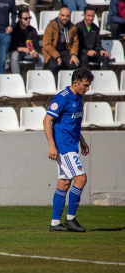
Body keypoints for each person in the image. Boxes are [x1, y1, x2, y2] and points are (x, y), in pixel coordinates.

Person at [43, 67, 93, 233]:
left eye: (88, 85)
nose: (87, 88)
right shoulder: (62, 98)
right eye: (85, 85)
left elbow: (74, 124)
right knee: (81, 178)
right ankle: (70, 218)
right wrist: (51, 145)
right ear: (75, 83)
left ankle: (55, 223)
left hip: (72, 145)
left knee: (64, 183)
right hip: (64, 147)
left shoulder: (79, 98)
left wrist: (82, 141)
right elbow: (47, 120)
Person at [42, 7, 80, 77]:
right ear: (59, 15)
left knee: (74, 64)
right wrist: (57, 56)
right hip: (52, 51)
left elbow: (75, 43)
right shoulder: (51, 26)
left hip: (65, 51)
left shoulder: (72, 27)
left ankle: (69, 84)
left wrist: (73, 54)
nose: (64, 18)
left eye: (67, 16)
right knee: (53, 66)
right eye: (63, 15)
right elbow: (46, 44)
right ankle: (52, 85)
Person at [9, 9, 45, 74]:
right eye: (26, 19)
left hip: (29, 54)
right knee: (14, 55)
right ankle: (17, 79)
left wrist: (35, 53)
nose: (28, 20)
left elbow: (36, 46)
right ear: (20, 19)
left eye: (29, 18)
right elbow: (11, 47)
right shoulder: (14, 30)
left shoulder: (32, 30)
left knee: (41, 58)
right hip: (18, 53)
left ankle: (36, 78)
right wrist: (22, 49)